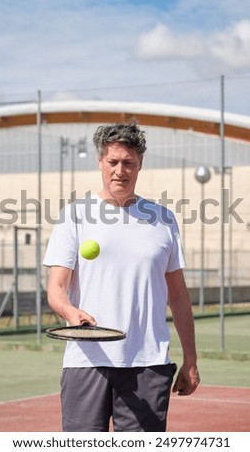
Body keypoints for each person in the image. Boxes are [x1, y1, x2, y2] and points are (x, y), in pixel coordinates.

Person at [43, 122, 200, 432]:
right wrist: (70, 312)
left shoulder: (163, 219)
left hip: (148, 363)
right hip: (86, 360)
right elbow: (56, 288)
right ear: (100, 161)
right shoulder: (74, 215)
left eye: (128, 163)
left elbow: (179, 296)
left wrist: (191, 360)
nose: (120, 170)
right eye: (112, 162)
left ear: (140, 163)